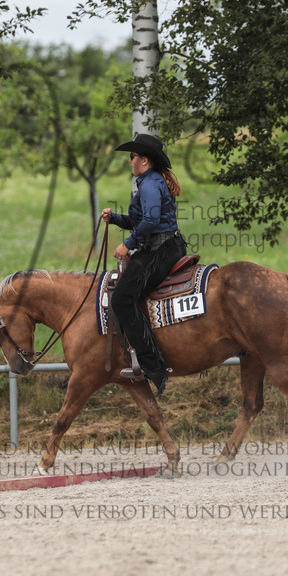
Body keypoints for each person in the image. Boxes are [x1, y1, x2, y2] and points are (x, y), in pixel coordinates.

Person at [100, 133, 186, 398]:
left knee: (123, 299)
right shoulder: (150, 181)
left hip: (159, 250)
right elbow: (142, 221)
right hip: (165, 245)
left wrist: (127, 245)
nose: (130, 161)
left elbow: (149, 221)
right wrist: (115, 218)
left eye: (133, 157)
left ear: (145, 161)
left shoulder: (149, 185)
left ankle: (152, 366)